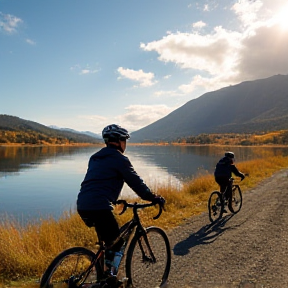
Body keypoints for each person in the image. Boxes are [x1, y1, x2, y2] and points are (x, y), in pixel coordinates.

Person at [77, 124, 164, 286]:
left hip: (83, 203)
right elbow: (136, 183)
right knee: (117, 242)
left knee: (107, 242)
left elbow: (99, 181)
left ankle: (104, 276)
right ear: (119, 141)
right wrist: (153, 197)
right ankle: (110, 279)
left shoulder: (95, 157)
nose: (125, 144)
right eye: (125, 140)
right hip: (100, 206)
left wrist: (113, 198)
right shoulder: (120, 159)